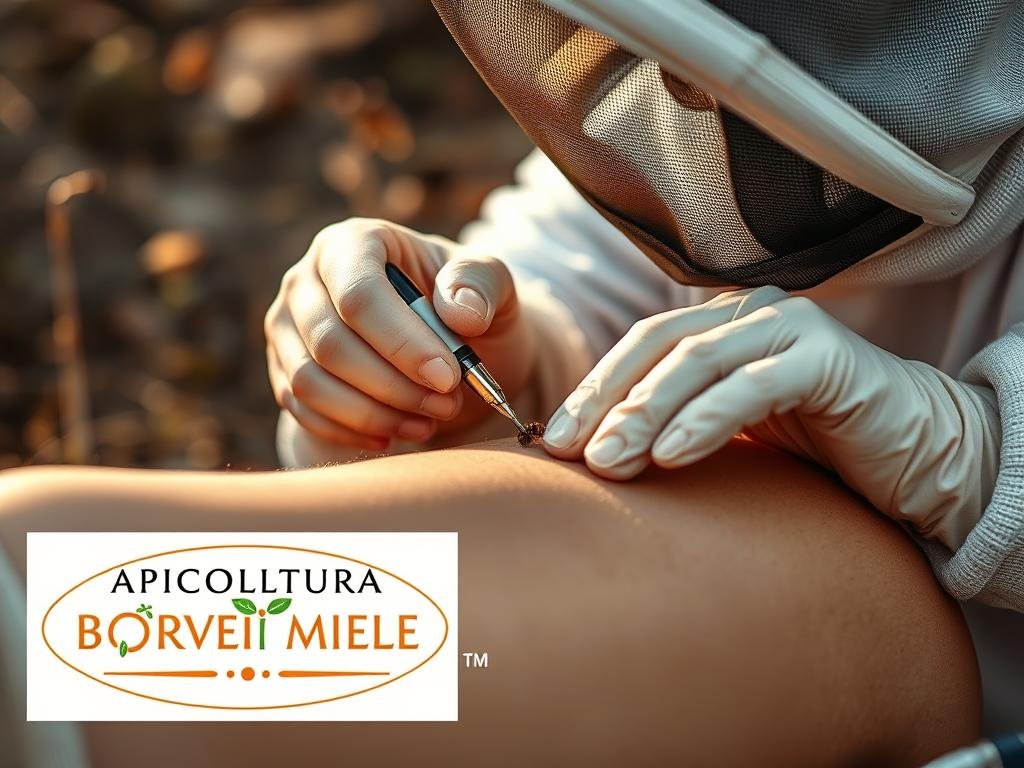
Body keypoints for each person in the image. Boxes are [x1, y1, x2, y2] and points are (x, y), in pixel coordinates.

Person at [265, 0, 1024, 744]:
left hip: (887, 672)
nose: (682, 97)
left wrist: (975, 455)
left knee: (202, 641)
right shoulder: (668, 115)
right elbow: (565, 276)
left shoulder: (870, 620)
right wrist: (476, 374)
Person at [0, 437, 981, 767]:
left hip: (882, 612)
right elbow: (594, 220)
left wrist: (984, 446)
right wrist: (531, 330)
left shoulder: (851, 603)